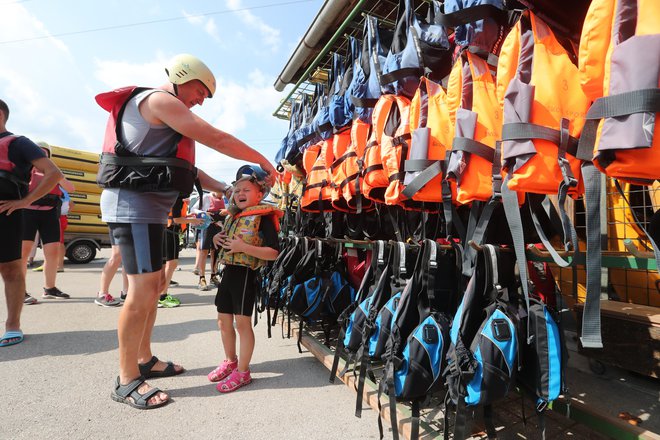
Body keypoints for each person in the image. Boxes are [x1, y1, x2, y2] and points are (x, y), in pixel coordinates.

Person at [98, 54, 276, 409]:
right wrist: (265, 163)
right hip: (133, 209)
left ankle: (145, 358)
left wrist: (229, 190)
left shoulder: (165, 118)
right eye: (200, 90)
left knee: (154, 289)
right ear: (182, 77)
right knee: (142, 290)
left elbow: (191, 172)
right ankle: (127, 377)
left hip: (148, 211)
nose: (201, 99)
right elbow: (215, 138)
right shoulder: (159, 100)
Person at [208, 167, 281, 393]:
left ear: (260, 195)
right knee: (222, 321)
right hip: (228, 273)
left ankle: (243, 372)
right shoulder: (233, 217)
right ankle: (230, 361)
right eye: (237, 189)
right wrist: (216, 239)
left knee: (242, 324)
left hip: (246, 275)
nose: (239, 192)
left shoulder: (263, 219)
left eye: (246, 189)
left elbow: (274, 253)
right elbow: (221, 244)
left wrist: (243, 247)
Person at [0, 98, 64, 347]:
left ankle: (12, 325)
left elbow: (54, 173)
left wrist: (25, 201)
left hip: (7, 214)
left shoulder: (19, 143)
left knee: (11, 270)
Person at [20, 143, 75, 300]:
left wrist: (55, 173)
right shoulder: (24, 172)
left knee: (52, 252)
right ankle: (20, 291)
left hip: (50, 214)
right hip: (27, 213)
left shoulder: (54, 174)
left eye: (44, 155)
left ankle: (50, 288)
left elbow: (70, 188)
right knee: (23, 253)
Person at [158, 196, 204, 308]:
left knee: (165, 264)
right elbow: (176, 220)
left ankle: (159, 295)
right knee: (171, 263)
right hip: (170, 231)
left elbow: (175, 216)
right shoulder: (177, 198)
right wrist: (194, 220)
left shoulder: (172, 195)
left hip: (166, 230)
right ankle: (162, 296)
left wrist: (187, 217)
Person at [193, 191, 225, 290]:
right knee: (204, 251)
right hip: (206, 227)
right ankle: (201, 278)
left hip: (217, 227)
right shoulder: (206, 197)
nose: (221, 195)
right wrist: (204, 213)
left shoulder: (223, 200)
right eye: (220, 193)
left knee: (215, 251)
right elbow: (193, 209)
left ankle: (213, 275)